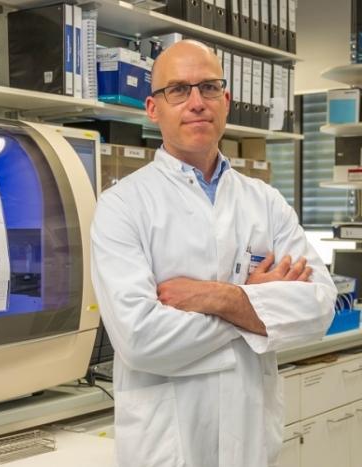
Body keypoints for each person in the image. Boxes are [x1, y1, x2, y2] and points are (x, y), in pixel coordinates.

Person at [90, 40, 337, 467]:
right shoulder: (122, 206)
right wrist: (258, 311)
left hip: (252, 441)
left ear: (226, 101)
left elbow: (319, 308)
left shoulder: (266, 202)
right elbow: (141, 340)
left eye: (208, 88)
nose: (196, 102)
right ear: (153, 108)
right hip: (167, 444)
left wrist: (221, 298)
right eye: (178, 90)